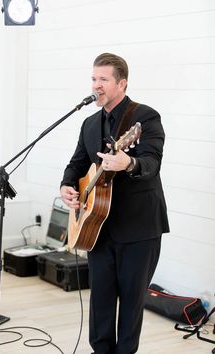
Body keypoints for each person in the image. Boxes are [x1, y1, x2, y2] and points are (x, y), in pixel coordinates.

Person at [60, 53, 169, 354]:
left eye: (103, 80)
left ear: (122, 83)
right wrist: (67, 186)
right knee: (101, 300)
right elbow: (77, 164)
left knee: (132, 302)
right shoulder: (89, 123)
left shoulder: (145, 117)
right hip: (96, 227)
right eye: (94, 79)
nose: (96, 85)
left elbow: (151, 163)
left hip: (139, 227)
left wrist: (128, 162)